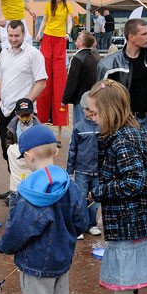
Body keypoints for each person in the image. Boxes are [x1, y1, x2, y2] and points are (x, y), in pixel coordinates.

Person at [0, 125, 87, 294]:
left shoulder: (29, 191)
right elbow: (82, 221)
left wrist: (4, 246)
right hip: (62, 260)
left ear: (29, 157)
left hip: (36, 264)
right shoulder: (70, 186)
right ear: (56, 152)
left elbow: (19, 230)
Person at [86, 80, 147, 294]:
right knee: (131, 279)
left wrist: (100, 191)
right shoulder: (137, 134)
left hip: (128, 222)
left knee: (124, 281)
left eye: (94, 113)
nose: (91, 118)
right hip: (139, 220)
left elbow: (134, 182)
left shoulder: (122, 141)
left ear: (109, 111)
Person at [97, 18, 147, 140]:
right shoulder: (108, 65)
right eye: (144, 34)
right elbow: (98, 96)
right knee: (126, 159)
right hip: (123, 122)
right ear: (131, 37)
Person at [0, 20, 47, 160]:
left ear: (23, 34)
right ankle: (15, 181)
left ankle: (22, 182)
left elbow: (41, 82)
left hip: (22, 114)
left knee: (24, 154)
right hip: (4, 110)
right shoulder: (4, 53)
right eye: (10, 35)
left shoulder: (34, 54)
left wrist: (25, 104)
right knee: (8, 153)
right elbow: (1, 77)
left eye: (16, 36)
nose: (13, 39)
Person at [36, 0, 73, 143]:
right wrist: (39, 32)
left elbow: (70, 22)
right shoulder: (48, 5)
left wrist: (68, 33)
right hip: (48, 37)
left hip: (59, 39)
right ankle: (42, 119)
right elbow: (44, 20)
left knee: (59, 77)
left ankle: (58, 122)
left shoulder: (67, 6)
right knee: (45, 74)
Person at [66, 93, 101, 240]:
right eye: (88, 109)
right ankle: (79, 225)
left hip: (98, 171)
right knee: (80, 199)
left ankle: (92, 224)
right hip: (81, 170)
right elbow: (72, 149)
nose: (91, 112)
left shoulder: (102, 126)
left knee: (95, 199)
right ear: (83, 109)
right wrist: (69, 171)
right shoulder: (79, 127)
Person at [4, 99, 40, 212]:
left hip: (32, 160)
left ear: (32, 113)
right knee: (17, 183)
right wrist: (11, 149)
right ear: (16, 114)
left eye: (27, 115)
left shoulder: (38, 127)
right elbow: (8, 140)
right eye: (22, 115)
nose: (25, 118)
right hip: (18, 158)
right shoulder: (13, 126)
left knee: (31, 187)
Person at [61, 31, 98, 133]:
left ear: (82, 43)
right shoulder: (93, 57)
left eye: (78, 38)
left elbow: (72, 81)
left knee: (80, 129)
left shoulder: (78, 58)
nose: (76, 39)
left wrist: (64, 99)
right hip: (92, 97)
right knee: (90, 128)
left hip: (80, 100)